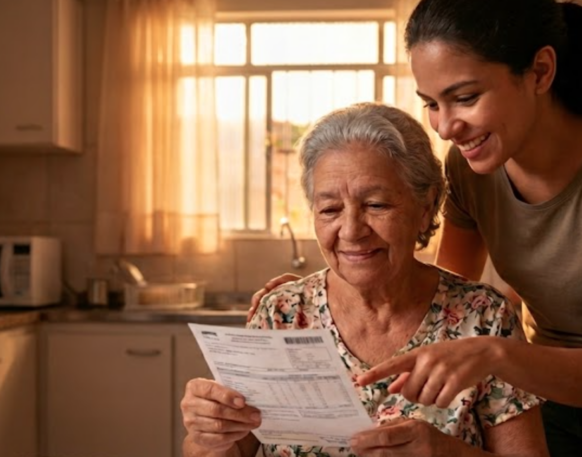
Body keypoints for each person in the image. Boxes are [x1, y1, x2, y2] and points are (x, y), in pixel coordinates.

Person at [252, 0, 582, 455]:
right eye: (431, 104)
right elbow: (448, 300)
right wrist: (335, 288)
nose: (445, 128)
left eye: (464, 98)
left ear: (540, 72)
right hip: (544, 386)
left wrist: (494, 353)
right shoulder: (471, 167)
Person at [182, 103, 549, 457]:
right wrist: (209, 436)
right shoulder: (281, 314)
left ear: (425, 208)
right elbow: (229, 449)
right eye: (330, 209)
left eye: (376, 205)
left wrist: (446, 452)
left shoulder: (484, 316)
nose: (351, 231)